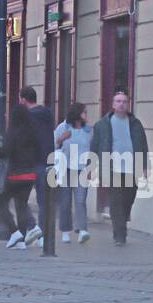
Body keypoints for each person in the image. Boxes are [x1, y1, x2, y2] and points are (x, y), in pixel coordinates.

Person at [89, 89, 149, 246]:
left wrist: (144, 166)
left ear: (128, 104)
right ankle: (119, 236)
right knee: (116, 202)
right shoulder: (102, 124)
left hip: (132, 168)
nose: (122, 104)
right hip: (112, 168)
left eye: (124, 102)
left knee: (128, 200)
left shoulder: (135, 123)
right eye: (118, 101)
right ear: (113, 104)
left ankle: (122, 222)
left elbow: (143, 145)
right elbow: (95, 147)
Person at [2, 88, 48, 250]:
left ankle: (23, 232)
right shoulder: (40, 123)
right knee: (30, 203)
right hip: (38, 168)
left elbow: (7, 149)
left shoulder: (18, 127)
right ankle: (28, 239)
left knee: (7, 202)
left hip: (20, 170)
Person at [18, 86, 55, 246]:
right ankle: (42, 235)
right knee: (44, 201)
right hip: (47, 162)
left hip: (28, 162)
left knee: (19, 198)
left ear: (23, 100)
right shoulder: (47, 114)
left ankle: (32, 227)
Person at [54, 102, 93, 244]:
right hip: (65, 169)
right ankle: (66, 231)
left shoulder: (88, 131)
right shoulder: (63, 127)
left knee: (81, 200)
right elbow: (54, 145)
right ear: (77, 114)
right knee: (65, 202)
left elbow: (91, 150)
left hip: (82, 169)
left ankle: (82, 230)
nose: (86, 115)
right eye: (84, 112)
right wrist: (61, 139)